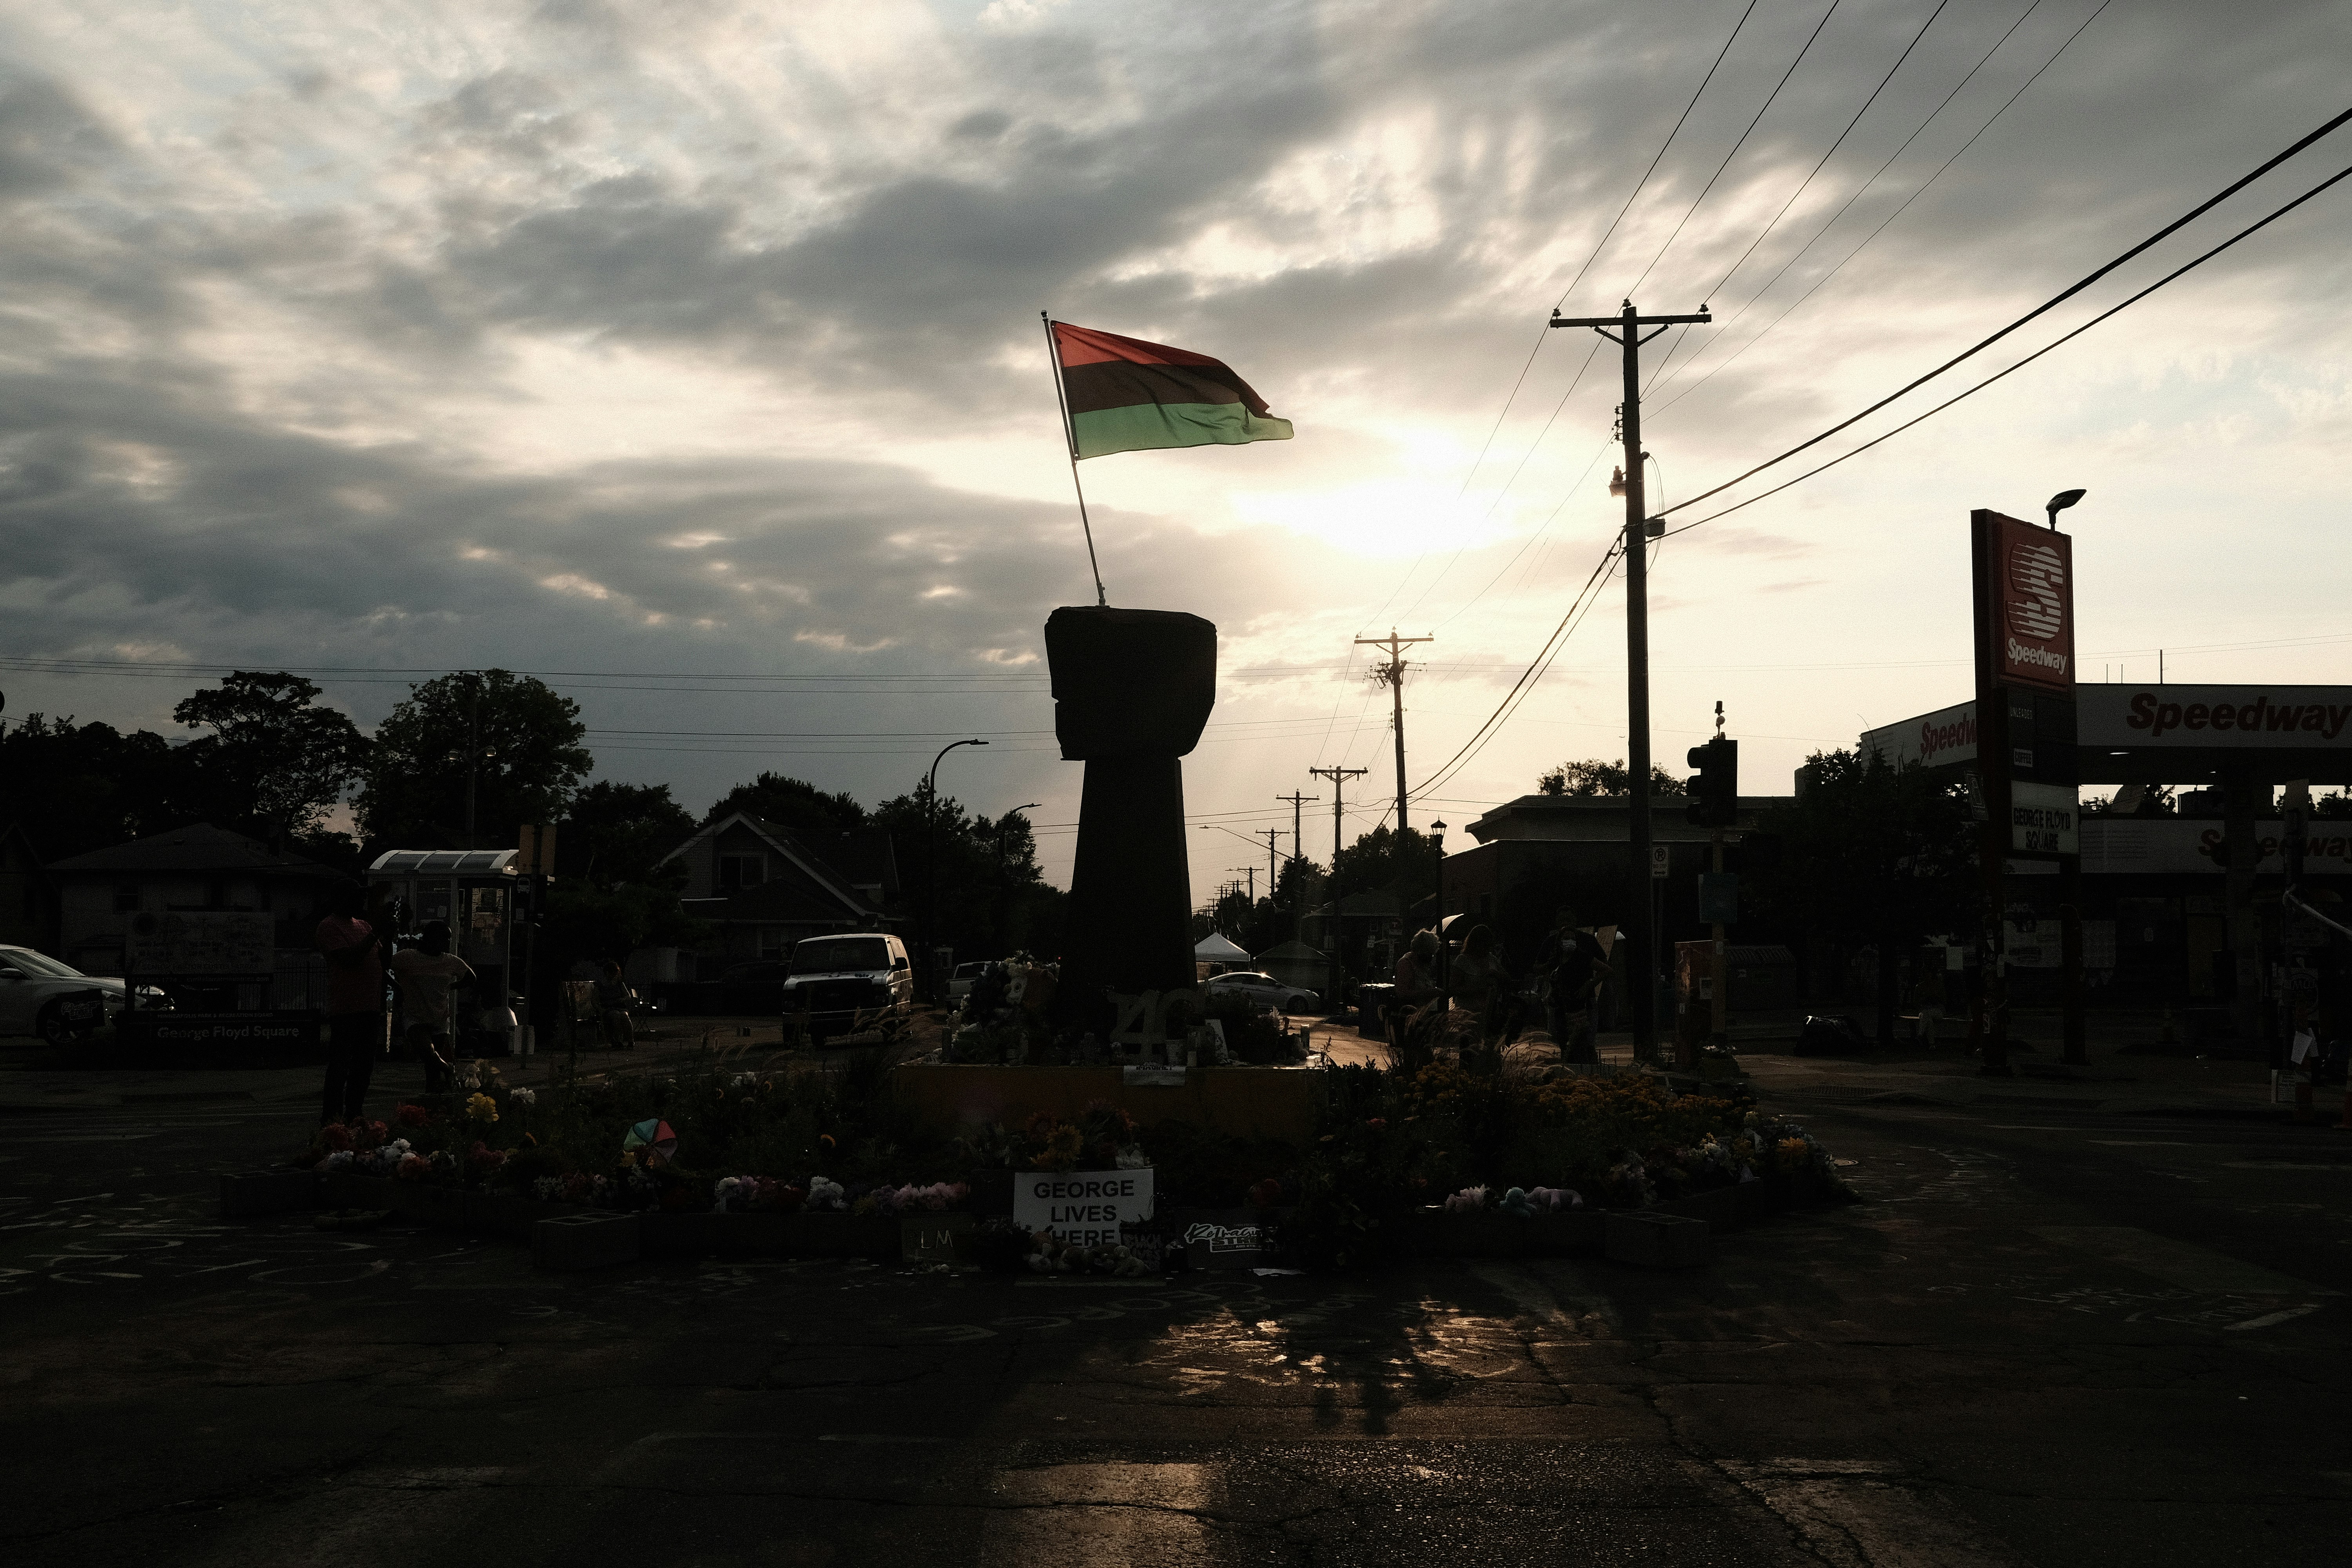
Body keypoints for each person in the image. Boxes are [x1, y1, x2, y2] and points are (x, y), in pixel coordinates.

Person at [315, 883, 389, 1125]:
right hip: (347, 1007)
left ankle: (354, 1112)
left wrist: (387, 934)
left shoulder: (363, 925)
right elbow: (350, 958)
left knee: (364, 1065)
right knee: (341, 1065)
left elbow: (379, 959)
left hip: (369, 1005)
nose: (361, 903)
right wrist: (376, 933)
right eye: (357, 897)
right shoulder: (329, 926)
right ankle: (333, 1116)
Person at [388, 920, 475, 1096]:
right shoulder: (407, 957)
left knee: (431, 1069)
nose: (447, 942)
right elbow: (383, 968)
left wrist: (452, 986)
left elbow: (471, 977)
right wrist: (397, 986)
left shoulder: (451, 961)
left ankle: (433, 1103)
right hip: (415, 1015)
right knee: (427, 1051)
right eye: (444, 938)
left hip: (440, 1017)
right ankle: (448, 1068)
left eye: (449, 939)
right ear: (430, 938)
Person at [1534, 906, 1610, 1065]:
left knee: (1586, 1041)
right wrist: (1551, 975)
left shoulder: (1587, 945)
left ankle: (1588, 1070)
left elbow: (1605, 966)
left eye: (1569, 919)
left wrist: (1589, 985)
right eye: (1563, 920)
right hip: (1560, 1004)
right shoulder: (1552, 946)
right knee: (1563, 1042)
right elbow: (1538, 967)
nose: (1566, 923)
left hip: (1584, 1003)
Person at [595, 959, 636, 1050]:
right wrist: (600, 1008)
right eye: (612, 973)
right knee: (615, 1016)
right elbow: (595, 999)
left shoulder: (619, 983)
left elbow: (628, 996)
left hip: (619, 1006)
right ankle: (618, 1040)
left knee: (625, 1016)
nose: (614, 976)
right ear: (607, 973)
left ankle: (631, 1041)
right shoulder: (600, 984)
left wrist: (620, 1000)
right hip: (608, 1007)